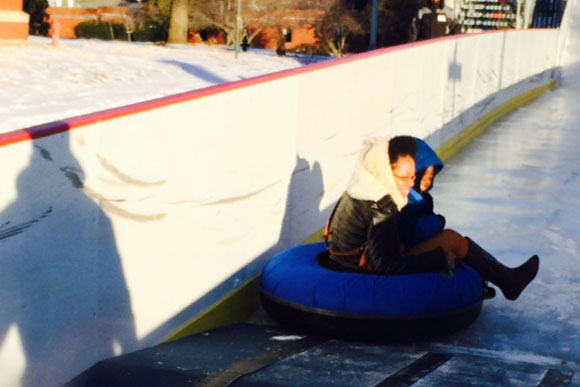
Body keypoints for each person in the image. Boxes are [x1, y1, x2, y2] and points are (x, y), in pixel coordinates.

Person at [325, 136, 539, 301]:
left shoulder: (366, 181)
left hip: (352, 257)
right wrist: (435, 258)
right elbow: (385, 264)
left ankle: (499, 279)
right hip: (359, 269)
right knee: (451, 241)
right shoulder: (383, 204)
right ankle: (507, 281)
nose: (415, 183)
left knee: (449, 240)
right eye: (412, 176)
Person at [399, 137, 446, 249]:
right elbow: (410, 232)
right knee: (453, 239)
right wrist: (438, 221)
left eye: (430, 176)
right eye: (423, 175)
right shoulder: (406, 198)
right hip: (407, 253)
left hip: (418, 247)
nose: (427, 180)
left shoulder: (425, 198)